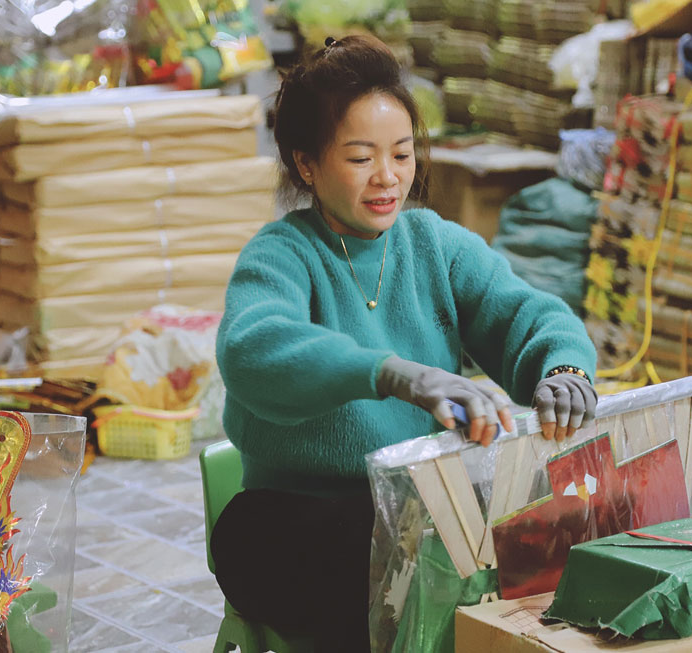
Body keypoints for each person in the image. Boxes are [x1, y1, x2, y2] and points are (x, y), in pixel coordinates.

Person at [211, 34, 598, 651]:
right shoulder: (282, 255)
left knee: (557, 533)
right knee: (419, 565)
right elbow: (254, 347)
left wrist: (566, 370)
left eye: (403, 152)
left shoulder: (432, 245)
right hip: (294, 526)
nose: (388, 177)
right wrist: (395, 374)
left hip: (420, 521)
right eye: (361, 158)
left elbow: (525, 312)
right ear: (306, 163)